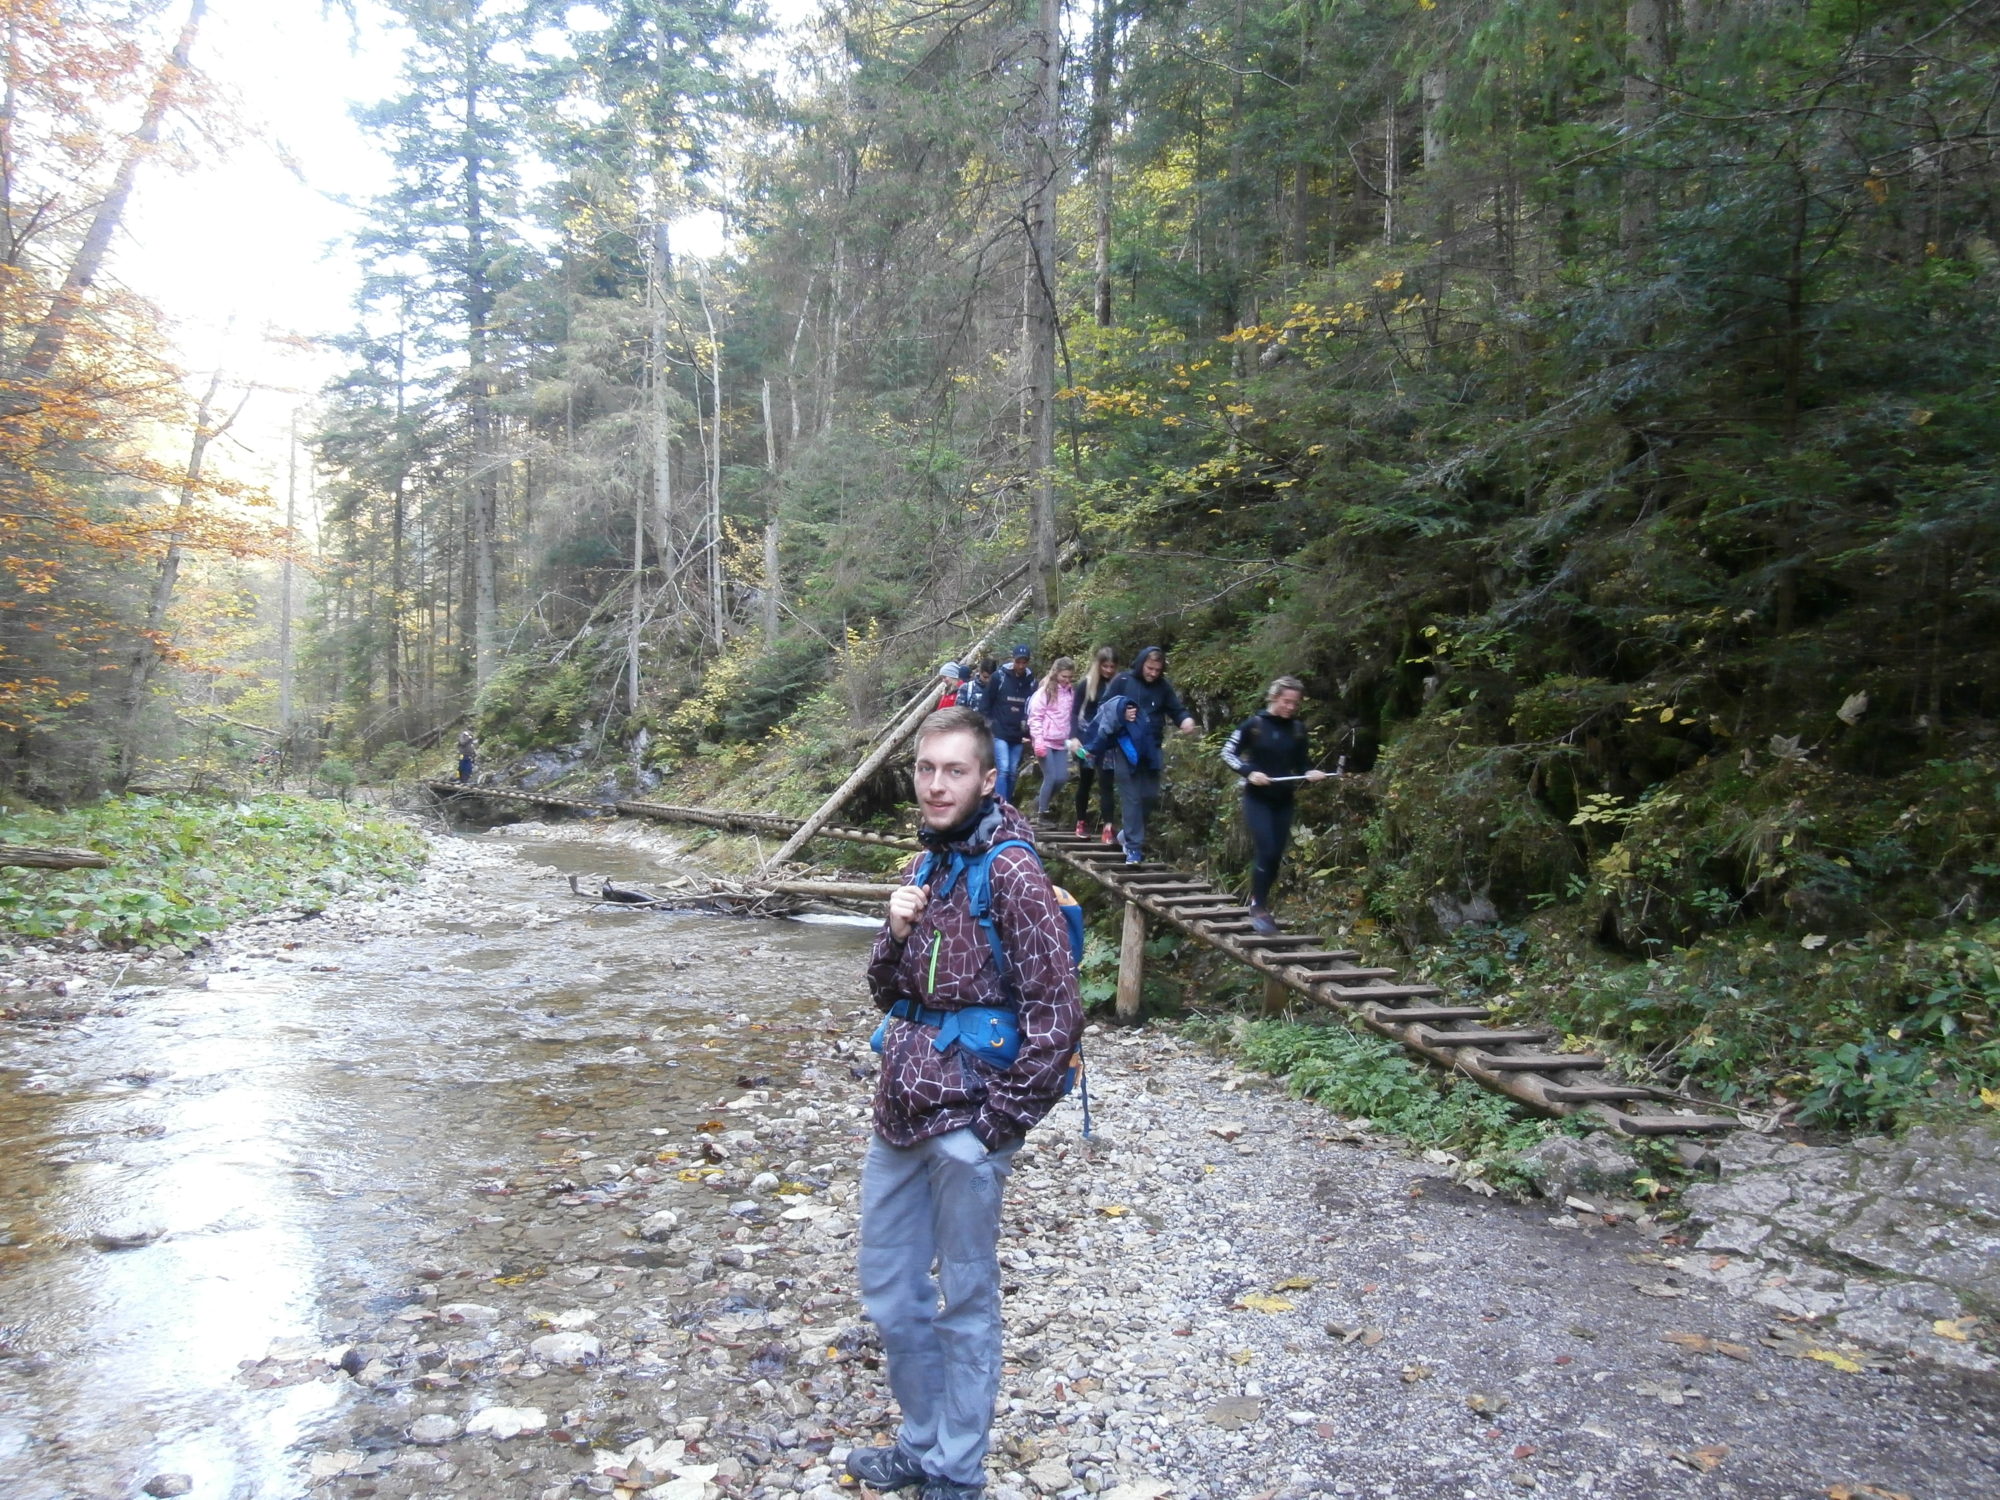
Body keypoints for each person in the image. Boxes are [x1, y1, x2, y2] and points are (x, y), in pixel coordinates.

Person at [847, 706, 1083, 1500]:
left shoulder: (1011, 872)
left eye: (955, 771)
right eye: (926, 769)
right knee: (890, 1292)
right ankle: (920, 1443)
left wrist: (992, 1128)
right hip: (899, 1114)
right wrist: (893, 930)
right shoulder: (927, 864)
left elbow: (1058, 1014)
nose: (937, 785)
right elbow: (886, 991)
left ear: (987, 779)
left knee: (966, 1300)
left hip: (968, 1123)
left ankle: (955, 1469)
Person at [1221, 675, 1329, 933]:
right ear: (1274, 697)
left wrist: (1311, 773)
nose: (1290, 707)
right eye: (1286, 701)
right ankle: (1258, 905)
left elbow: (1302, 764)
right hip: (1257, 798)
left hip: (1284, 800)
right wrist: (1249, 772)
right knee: (1267, 848)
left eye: (1295, 703)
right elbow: (1227, 752)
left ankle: (1262, 902)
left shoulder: (1298, 730)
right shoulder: (1254, 725)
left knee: (1275, 855)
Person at [1100, 645, 1196, 865]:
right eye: (1149, 668)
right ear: (1141, 663)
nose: (1153, 673)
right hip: (1125, 747)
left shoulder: (1163, 687)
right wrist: (1121, 712)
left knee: (1149, 797)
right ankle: (1133, 849)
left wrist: (1185, 720)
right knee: (1132, 797)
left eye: (1157, 670)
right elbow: (1104, 706)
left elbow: (1176, 709)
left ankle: (1126, 834)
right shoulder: (1123, 681)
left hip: (1152, 748)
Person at [1067, 646, 1120, 842]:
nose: (1108, 670)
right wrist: (1074, 737)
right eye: (1105, 666)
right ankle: (1081, 821)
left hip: (1107, 740)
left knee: (1106, 783)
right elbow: (1074, 712)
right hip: (1087, 739)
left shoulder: (1118, 684)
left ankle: (1108, 827)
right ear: (1098, 665)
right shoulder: (1087, 684)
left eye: (1112, 667)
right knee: (1086, 780)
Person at [980, 645, 1037, 805]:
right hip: (1000, 731)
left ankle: (1008, 804)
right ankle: (1000, 806)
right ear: (1013, 660)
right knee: (1003, 769)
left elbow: (1033, 707)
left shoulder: (1031, 682)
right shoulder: (999, 677)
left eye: (1024, 662)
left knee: (1012, 772)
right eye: (1018, 661)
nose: (1021, 665)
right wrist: (988, 725)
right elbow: (986, 701)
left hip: (1018, 734)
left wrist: (1028, 731)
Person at [1026, 656, 1075, 823]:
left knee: (1062, 778)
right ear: (1056, 673)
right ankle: (1042, 813)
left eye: (1069, 677)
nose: (1066, 680)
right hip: (1044, 741)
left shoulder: (1070, 692)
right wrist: (1038, 740)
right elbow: (1035, 717)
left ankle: (1039, 803)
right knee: (1051, 776)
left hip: (1061, 742)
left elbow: (1070, 717)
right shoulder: (1045, 692)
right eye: (1063, 676)